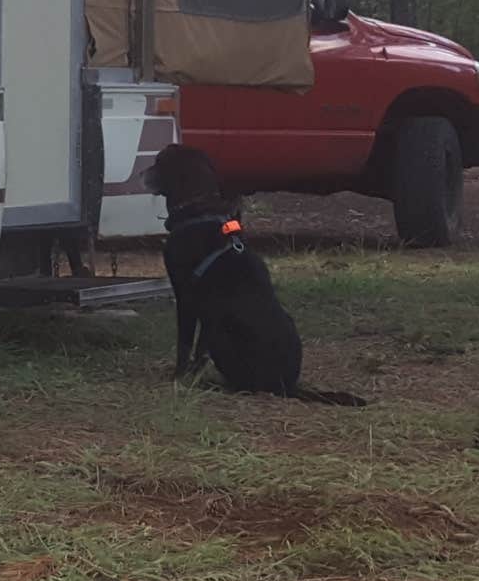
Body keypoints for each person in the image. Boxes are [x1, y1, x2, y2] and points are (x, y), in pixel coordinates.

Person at [150, 142, 366, 404]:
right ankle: (266, 380)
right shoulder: (223, 230)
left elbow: (190, 308)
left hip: (247, 370)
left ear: (174, 181)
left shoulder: (184, 241)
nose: (151, 175)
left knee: (214, 314)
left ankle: (194, 369)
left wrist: (183, 366)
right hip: (287, 367)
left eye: (158, 170)